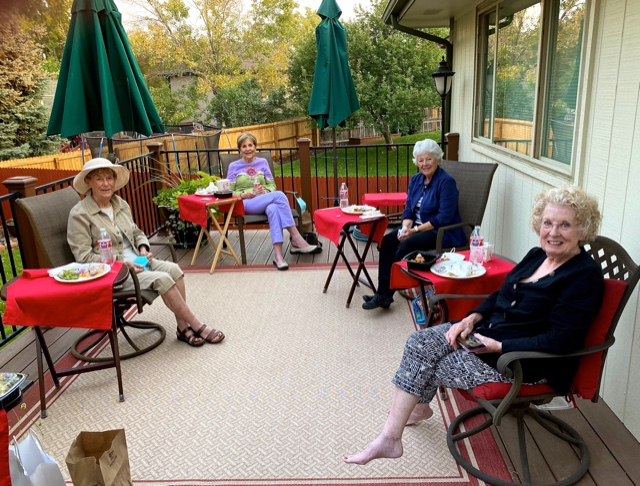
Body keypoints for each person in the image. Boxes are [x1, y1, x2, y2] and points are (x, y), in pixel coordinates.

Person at [345, 185, 604, 465]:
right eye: (548, 223)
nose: (553, 232)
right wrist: (471, 318)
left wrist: (500, 345)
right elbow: (500, 293)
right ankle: (403, 425)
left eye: (564, 225)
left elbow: (562, 339)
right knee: (419, 343)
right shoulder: (536, 255)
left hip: (522, 360)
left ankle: (396, 430)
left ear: (582, 230)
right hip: (488, 333)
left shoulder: (583, 277)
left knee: (437, 364)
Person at [67, 157, 224, 347]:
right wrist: (123, 264)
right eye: (99, 179)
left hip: (139, 261)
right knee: (163, 279)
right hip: (113, 274)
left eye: (109, 178)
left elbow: (136, 232)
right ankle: (197, 325)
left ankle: (182, 327)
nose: (106, 184)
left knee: (174, 270)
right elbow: (84, 257)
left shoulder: (119, 204)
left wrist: (143, 248)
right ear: (88, 182)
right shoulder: (80, 214)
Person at [363, 139, 466, 310]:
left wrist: (414, 230)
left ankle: (385, 294)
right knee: (388, 241)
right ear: (416, 162)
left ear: (438, 159)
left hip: (440, 232)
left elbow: (443, 218)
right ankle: (383, 293)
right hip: (415, 228)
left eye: (429, 159)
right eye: (421, 160)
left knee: (406, 245)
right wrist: (405, 228)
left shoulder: (446, 182)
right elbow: (409, 209)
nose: (424, 164)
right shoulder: (416, 180)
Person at [226, 132, 318, 271]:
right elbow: (229, 191)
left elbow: (272, 186)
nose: (248, 149)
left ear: (255, 147)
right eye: (244, 146)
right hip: (245, 203)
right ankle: (296, 237)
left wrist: (266, 191)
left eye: (250, 145)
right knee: (279, 196)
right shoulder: (234, 166)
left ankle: (278, 256)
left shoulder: (262, 162)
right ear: (239, 149)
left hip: (265, 200)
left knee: (273, 209)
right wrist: (245, 194)